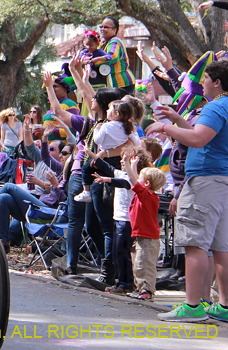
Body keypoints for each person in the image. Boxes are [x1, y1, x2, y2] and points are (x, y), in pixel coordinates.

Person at [148, 60, 228, 322]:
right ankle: (225, 307)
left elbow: (197, 139)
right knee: (221, 247)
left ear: (217, 82)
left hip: (206, 181)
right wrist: (177, 119)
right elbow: (202, 134)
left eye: (205, 78)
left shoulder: (216, 107)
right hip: (222, 182)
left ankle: (193, 306)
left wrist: (164, 127)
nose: (201, 83)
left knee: (195, 244)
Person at [44, 62, 127, 279]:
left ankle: (106, 265)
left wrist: (50, 87)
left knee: (94, 224)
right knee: (85, 223)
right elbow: (79, 96)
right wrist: (75, 74)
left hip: (97, 177)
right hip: (83, 175)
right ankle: (81, 264)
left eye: (96, 100)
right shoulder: (91, 123)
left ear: (106, 106)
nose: (91, 100)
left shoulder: (109, 127)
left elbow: (63, 110)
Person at [0, 120, 68, 252]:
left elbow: (63, 200)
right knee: (3, 198)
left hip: (47, 210)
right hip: (33, 202)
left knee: (8, 186)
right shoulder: (52, 164)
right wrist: (42, 135)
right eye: (61, 153)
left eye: (65, 153)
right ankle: (3, 241)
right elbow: (41, 153)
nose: (62, 156)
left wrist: (52, 185)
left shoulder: (66, 172)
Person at [92, 148, 153, 295]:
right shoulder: (121, 173)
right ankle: (121, 281)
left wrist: (107, 180)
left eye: (125, 159)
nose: (121, 161)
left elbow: (124, 183)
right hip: (117, 218)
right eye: (121, 158)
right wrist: (89, 152)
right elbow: (105, 166)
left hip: (127, 220)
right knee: (117, 252)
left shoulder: (135, 178)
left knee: (123, 252)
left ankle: (126, 283)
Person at [73, 101, 138, 202]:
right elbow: (137, 142)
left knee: (86, 169)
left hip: (104, 158)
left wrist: (96, 130)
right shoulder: (127, 127)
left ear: (116, 113)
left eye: (109, 108)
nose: (107, 111)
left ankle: (86, 192)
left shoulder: (106, 126)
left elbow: (97, 140)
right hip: (119, 159)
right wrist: (134, 132)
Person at [124, 157, 166, 301]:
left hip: (148, 238)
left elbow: (132, 180)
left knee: (144, 264)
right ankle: (140, 287)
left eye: (141, 179)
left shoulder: (147, 196)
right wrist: (134, 165)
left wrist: (129, 164)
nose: (137, 180)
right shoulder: (144, 194)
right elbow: (135, 179)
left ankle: (147, 289)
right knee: (138, 264)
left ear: (147, 184)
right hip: (142, 236)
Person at [89, 16, 135, 94]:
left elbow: (112, 57)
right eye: (101, 27)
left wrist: (92, 62)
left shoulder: (115, 41)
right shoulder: (102, 43)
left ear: (114, 30)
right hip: (109, 84)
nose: (102, 29)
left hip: (122, 84)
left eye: (106, 27)